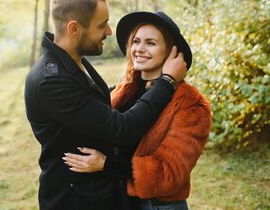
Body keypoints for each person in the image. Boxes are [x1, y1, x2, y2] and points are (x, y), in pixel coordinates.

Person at [24, 0, 187, 210]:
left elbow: (97, 102)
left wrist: (141, 84)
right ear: (74, 28)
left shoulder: (74, 61)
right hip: (77, 200)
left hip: (102, 192)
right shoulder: (51, 81)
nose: (109, 31)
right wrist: (167, 81)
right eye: (102, 25)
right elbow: (123, 129)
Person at [63, 11, 212, 210]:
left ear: (171, 52)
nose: (139, 49)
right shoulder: (125, 87)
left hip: (158, 205)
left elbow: (170, 173)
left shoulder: (190, 104)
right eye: (136, 41)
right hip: (122, 199)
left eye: (151, 43)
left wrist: (107, 164)